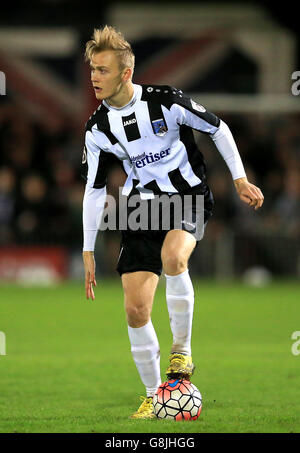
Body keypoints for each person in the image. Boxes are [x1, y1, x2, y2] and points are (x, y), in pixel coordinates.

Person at [81, 25, 264, 419]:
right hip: (140, 207)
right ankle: (154, 395)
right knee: (135, 310)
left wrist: (240, 178)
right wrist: (87, 248)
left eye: (102, 70)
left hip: (188, 196)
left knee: (174, 258)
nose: (94, 77)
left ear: (125, 73)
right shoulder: (97, 128)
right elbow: (95, 191)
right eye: (92, 69)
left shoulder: (166, 101)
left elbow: (219, 128)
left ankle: (181, 354)